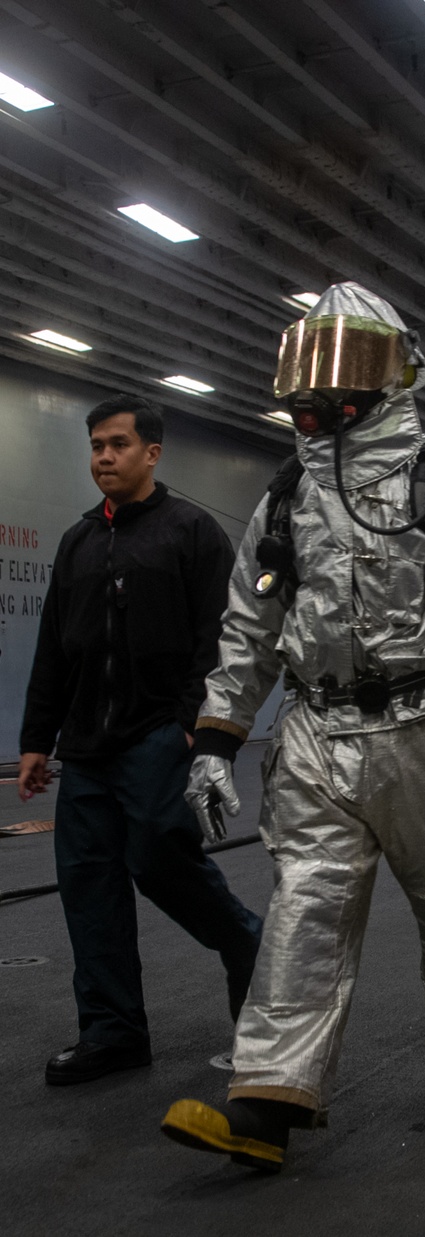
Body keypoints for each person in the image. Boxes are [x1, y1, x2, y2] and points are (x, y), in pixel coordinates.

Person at [159, 282, 425, 1174]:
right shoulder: (286, 495)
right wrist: (217, 739)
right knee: (305, 910)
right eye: (310, 366)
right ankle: (265, 1099)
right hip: (317, 735)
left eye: (347, 366)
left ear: (395, 374)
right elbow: (250, 627)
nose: (320, 391)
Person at [18, 394, 263, 1086]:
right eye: (96, 445)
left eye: (118, 444)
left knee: (158, 853)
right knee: (87, 883)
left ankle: (244, 940)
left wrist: (195, 724)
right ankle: (113, 1030)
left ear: (151, 452)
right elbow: (55, 651)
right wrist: (38, 738)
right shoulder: (77, 542)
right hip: (87, 748)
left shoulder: (192, 532)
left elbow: (221, 638)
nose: (104, 457)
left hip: (159, 732)